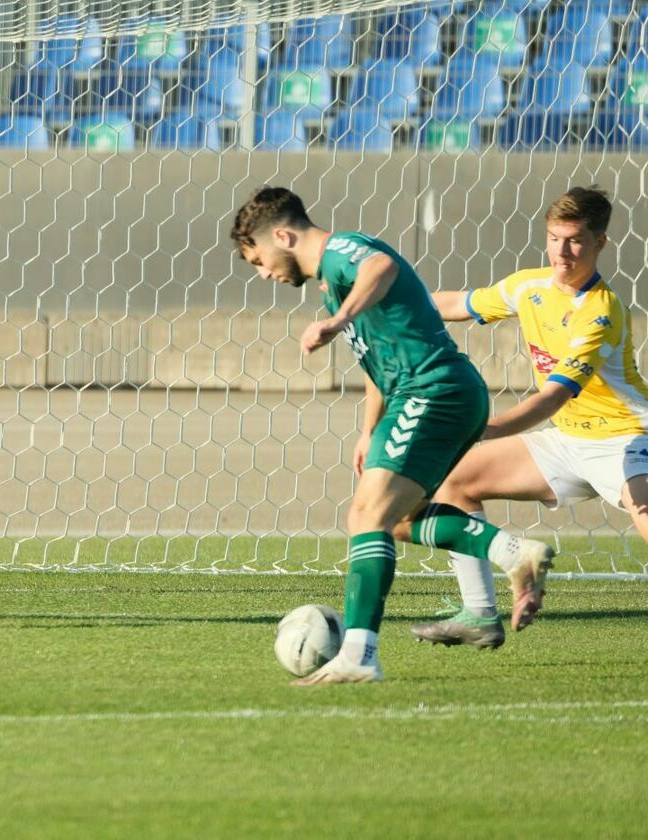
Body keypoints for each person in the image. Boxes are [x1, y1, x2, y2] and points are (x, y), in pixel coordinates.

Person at [230, 186, 554, 685]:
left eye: (259, 260)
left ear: (282, 235)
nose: (264, 274)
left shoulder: (343, 252)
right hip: (432, 393)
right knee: (400, 520)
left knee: (366, 515)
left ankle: (360, 655)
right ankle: (513, 553)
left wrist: (337, 321)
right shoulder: (331, 281)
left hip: (432, 390)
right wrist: (368, 430)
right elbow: (376, 358)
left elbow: (382, 267)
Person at [411, 186, 648, 648]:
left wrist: (481, 429)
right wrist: (386, 303)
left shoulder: (600, 312)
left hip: (627, 436)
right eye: (555, 238)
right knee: (454, 483)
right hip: (567, 441)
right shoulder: (528, 285)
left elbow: (551, 399)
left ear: (600, 242)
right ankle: (479, 615)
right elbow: (458, 305)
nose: (562, 251)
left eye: (575, 240)